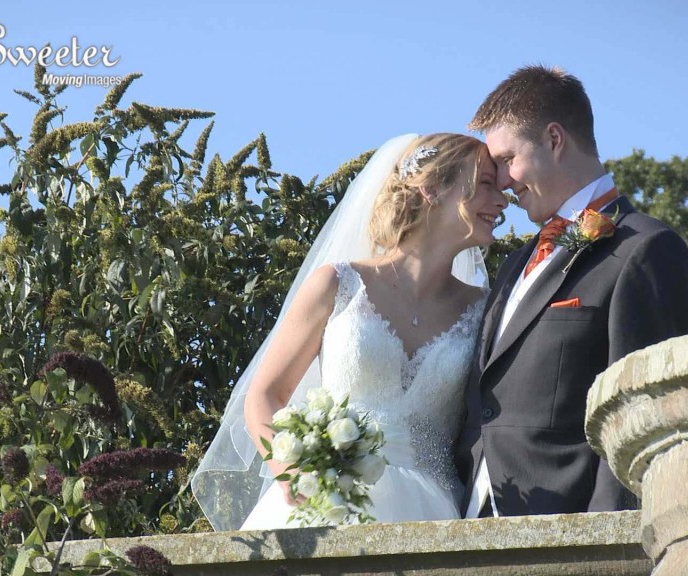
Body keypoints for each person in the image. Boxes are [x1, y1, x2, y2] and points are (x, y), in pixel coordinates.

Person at [191, 133, 507, 530]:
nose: (502, 200)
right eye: (485, 185)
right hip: (323, 505)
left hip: (430, 515)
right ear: (433, 189)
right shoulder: (337, 285)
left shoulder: (487, 310)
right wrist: (288, 466)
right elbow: (266, 394)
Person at [455, 65, 688, 517]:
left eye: (508, 160)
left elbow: (643, 416)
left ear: (553, 139)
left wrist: (606, 543)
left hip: (567, 531)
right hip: (471, 522)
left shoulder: (645, 250)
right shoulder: (512, 264)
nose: (503, 183)